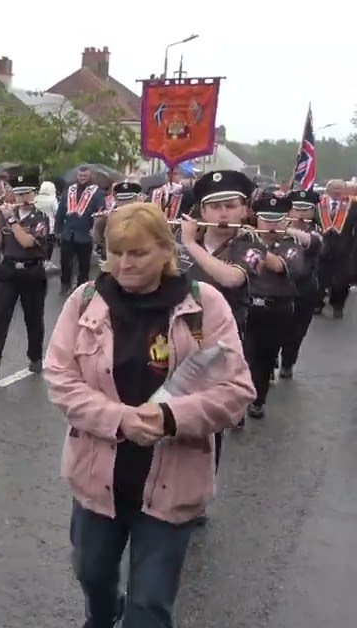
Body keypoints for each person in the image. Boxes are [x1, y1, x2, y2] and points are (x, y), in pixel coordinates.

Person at [45, 201, 254, 628]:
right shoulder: (85, 302)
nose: (123, 264)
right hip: (97, 478)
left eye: (137, 253)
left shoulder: (204, 305)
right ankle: (102, 615)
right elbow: (60, 377)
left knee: (150, 606)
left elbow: (237, 390)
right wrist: (118, 418)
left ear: (165, 250)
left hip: (171, 483)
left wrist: (169, 418)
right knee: (93, 576)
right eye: (114, 252)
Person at [176, 169, 263, 468]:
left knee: (208, 419)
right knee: (170, 409)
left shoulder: (251, 245)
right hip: (177, 334)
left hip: (220, 342)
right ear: (202, 210)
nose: (223, 213)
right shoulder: (185, 238)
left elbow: (230, 279)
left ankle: (200, 492)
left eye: (230, 206)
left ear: (244, 209)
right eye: (215, 207)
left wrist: (191, 246)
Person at [0, 170, 49, 381]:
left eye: (27, 194)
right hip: (8, 270)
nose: (22, 198)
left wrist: (12, 220)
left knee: (33, 318)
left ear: (34, 194)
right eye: (18, 194)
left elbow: (27, 242)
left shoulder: (40, 218)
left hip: (32, 270)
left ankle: (35, 357)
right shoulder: (7, 217)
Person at [243, 193, 306, 419]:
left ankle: (258, 400)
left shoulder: (292, 245)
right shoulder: (242, 240)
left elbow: (285, 267)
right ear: (257, 219)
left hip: (276, 310)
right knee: (242, 357)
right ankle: (238, 404)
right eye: (266, 218)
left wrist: (253, 247)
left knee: (265, 359)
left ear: (286, 221)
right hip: (246, 307)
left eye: (277, 219)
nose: (272, 224)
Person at [277, 188, 323, 378]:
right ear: (289, 210)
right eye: (297, 209)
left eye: (307, 209)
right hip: (277, 289)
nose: (301, 214)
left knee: (297, 332)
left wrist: (283, 228)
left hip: (304, 289)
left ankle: (288, 362)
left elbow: (311, 242)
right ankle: (269, 362)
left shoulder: (316, 231)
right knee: (272, 330)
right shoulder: (273, 228)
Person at [56, 165, 105, 293]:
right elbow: (61, 210)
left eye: (85, 176)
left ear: (90, 177)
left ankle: (81, 288)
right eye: (80, 176)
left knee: (84, 265)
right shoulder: (69, 191)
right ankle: (65, 284)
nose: (82, 178)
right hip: (68, 233)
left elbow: (100, 211)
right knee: (65, 262)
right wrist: (57, 229)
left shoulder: (97, 193)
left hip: (85, 234)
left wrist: (96, 230)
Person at [314, 179, 355, 318]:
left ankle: (338, 305)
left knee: (341, 282)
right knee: (319, 279)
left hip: (344, 250)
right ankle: (317, 304)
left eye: (340, 189)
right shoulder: (318, 205)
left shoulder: (352, 205)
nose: (337, 192)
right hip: (321, 250)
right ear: (328, 190)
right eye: (334, 188)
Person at [92, 180, 142, 256]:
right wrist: (107, 246)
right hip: (115, 254)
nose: (124, 203)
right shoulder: (107, 216)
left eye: (129, 199)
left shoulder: (143, 215)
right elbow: (97, 235)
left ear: (136, 199)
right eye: (121, 200)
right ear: (116, 199)